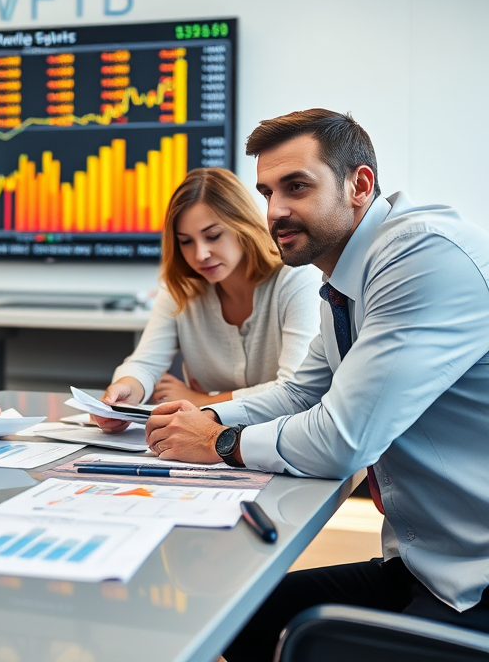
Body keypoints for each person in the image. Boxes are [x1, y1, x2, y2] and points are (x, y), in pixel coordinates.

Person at [142, 109, 489, 658]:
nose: (275, 210)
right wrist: (207, 419)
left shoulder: (419, 255)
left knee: (299, 638)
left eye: (296, 187)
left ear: (360, 185)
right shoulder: (344, 277)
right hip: (426, 565)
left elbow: (343, 439)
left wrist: (216, 444)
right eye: (267, 192)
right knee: (239, 613)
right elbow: (301, 393)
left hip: (475, 584)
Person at [92, 168, 320, 437]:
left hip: (283, 440)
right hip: (204, 443)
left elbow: (295, 391)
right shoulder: (180, 288)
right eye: (186, 242)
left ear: (242, 226)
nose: (200, 254)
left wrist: (202, 401)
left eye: (213, 236)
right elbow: (144, 364)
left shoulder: (296, 278)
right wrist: (126, 389)